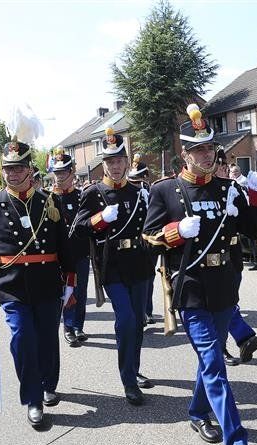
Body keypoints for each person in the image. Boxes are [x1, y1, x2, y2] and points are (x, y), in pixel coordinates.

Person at [142, 104, 257, 445]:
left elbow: (254, 231)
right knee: (214, 363)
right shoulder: (165, 191)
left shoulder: (227, 188)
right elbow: (148, 238)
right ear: (185, 153)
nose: (206, 156)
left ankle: (198, 412)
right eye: (198, 150)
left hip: (224, 286)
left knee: (208, 359)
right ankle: (237, 444)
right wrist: (175, 232)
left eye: (210, 149)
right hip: (192, 288)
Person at [0, 126, 77, 428]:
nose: (13, 173)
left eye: (19, 167)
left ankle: (48, 384)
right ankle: (32, 398)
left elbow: (64, 246)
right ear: (2, 170)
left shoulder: (49, 202)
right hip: (12, 285)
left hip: (47, 282)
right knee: (22, 338)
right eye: (8, 168)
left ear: (30, 169)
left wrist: (70, 281)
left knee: (47, 339)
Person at [73, 127, 154, 406]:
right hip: (112, 265)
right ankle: (128, 381)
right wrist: (100, 220)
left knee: (139, 321)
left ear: (126, 161)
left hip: (139, 263)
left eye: (119, 160)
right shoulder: (93, 193)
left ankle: (134, 369)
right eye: (109, 162)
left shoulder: (139, 192)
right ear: (103, 164)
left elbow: (149, 226)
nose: (115, 166)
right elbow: (79, 229)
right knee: (126, 319)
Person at [214, 150, 257, 366]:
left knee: (229, 301)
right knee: (224, 303)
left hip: (233, 254)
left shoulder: (234, 189)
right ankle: (238, 339)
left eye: (225, 166)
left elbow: (251, 225)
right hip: (213, 257)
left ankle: (234, 342)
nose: (224, 170)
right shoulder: (204, 192)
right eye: (220, 166)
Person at [49, 146, 90, 347]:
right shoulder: (48, 198)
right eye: (56, 173)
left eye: (63, 172)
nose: (59, 177)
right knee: (66, 291)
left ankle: (78, 326)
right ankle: (68, 327)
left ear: (71, 173)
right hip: (58, 256)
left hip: (80, 252)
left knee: (80, 291)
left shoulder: (82, 196)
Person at [126, 153, 157, 327]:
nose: (135, 184)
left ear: (145, 178)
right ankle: (139, 311)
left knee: (149, 278)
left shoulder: (152, 193)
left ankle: (147, 311)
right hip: (133, 243)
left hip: (149, 242)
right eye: (132, 180)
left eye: (138, 180)